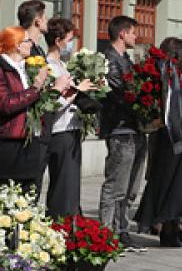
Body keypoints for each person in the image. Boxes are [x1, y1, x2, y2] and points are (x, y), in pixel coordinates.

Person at [135, 38, 182, 246]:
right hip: (175, 137)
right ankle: (167, 230)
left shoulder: (176, 74)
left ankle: (174, 228)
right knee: (172, 185)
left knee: (178, 186)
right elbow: (180, 110)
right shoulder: (168, 74)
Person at [0, 26, 70, 192]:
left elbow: (37, 100)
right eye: (27, 41)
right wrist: (36, 87)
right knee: (10, 194)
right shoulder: (3, 69)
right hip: (11, 141)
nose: (31, 44)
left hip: (34, 138)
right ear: (17, 45)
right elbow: (6, 104)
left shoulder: (27, 67)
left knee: (31, 191)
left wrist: (56, 90)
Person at [99, 16, 147, 249]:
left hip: (136, 128)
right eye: (132, 33)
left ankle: (122, 230)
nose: (135, 37)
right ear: (122, 34)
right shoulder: (109, 60)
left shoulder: (127, 59)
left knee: (131, 188)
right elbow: (119, 94)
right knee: (115, 186)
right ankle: (106, 235)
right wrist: (142, 101)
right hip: (120, 129)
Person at [44, 18, 97, 219]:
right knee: (63, 185)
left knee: (72, 185)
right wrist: (76, 91)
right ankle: (61, 224)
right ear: (58, 41)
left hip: (72, 129)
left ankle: (72, 224)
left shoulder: (63, 64)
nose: (71, 43)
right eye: (69, 39)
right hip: (60, 131)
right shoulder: (48, 66)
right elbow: (52, 104)